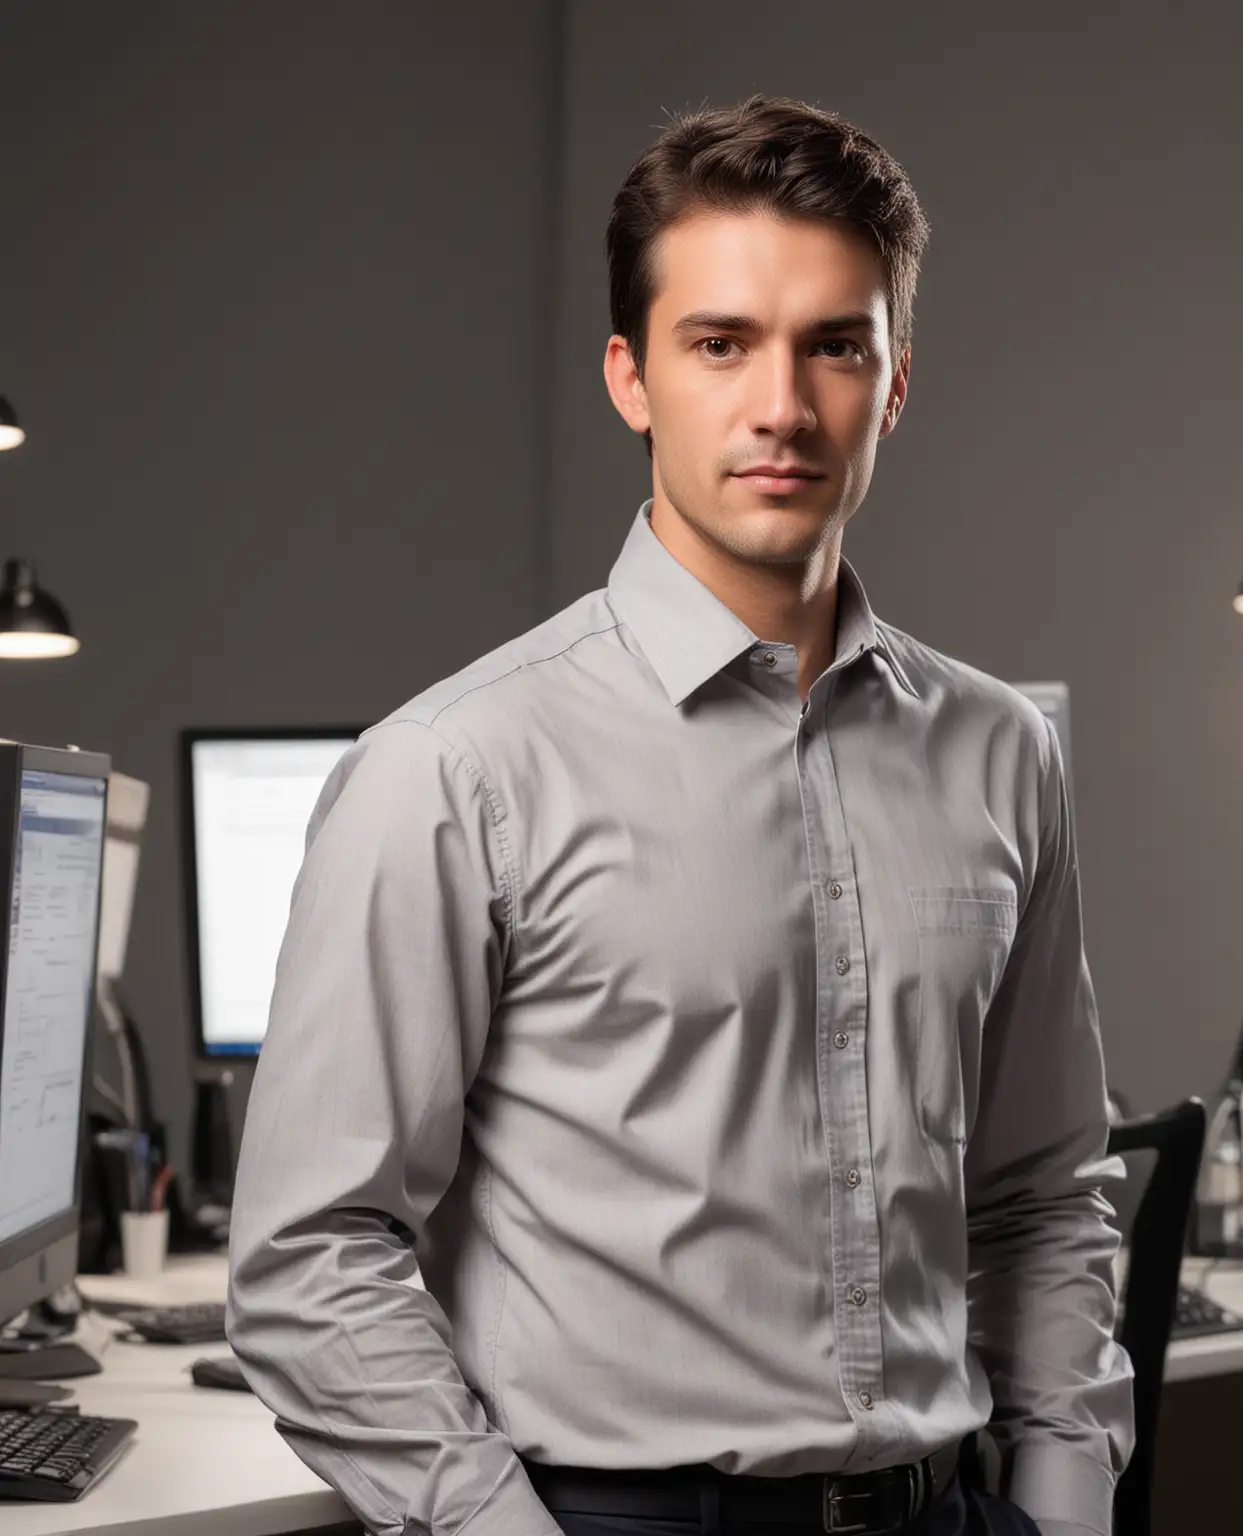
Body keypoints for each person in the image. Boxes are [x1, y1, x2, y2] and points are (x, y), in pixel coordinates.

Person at [228, 95, 1132, 1536]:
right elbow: (311, 1257)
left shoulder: (1000, 753)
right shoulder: (456, 770)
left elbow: (1039, 1193)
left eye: (837, 345)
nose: (782, 406)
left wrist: (1066, 1501)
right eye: (720, 345)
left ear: (895, 384)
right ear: (630, 378)